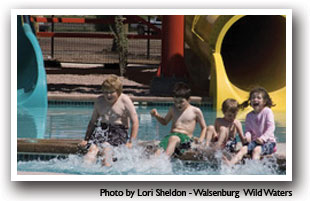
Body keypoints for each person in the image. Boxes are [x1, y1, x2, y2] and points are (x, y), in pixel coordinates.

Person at [79, 75, 139, 166]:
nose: (108, 95)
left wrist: (131, 141)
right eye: (106, 92)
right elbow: (93, 122)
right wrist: (86, 139)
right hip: (102, 130)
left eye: (111, 92)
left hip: (119, 131)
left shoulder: (124, 100)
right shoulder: (100, 101)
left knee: (106, 150)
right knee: (92, 150)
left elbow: (135, 121)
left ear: (118, 91)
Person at [150, 82, 207, 157]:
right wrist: (156, 115)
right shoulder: (173, 109)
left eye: (181, 102)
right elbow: (165, 122)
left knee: (173, 139)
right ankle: (154, 164)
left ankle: (165, 160)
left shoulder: (195, 111)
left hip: (185, 139)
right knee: (159, 149)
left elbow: (204, 127)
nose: (178, 104)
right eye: (175, 102)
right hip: (171, 136)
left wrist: (201, 139)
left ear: (189, 100)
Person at [223, 87, 277, 165]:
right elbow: (248, 130)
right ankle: (230, 164)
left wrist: (263, 138)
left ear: (264, 101)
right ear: (250, 102)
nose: (255, 99)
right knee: (243, 149)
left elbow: (271, 127)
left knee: (256, 150)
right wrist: (247, 136)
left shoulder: (267, 111)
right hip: (255, 142)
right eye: (253, 98)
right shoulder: (249, 116)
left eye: (259, 98)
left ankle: (254, 169)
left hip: (268, 142)